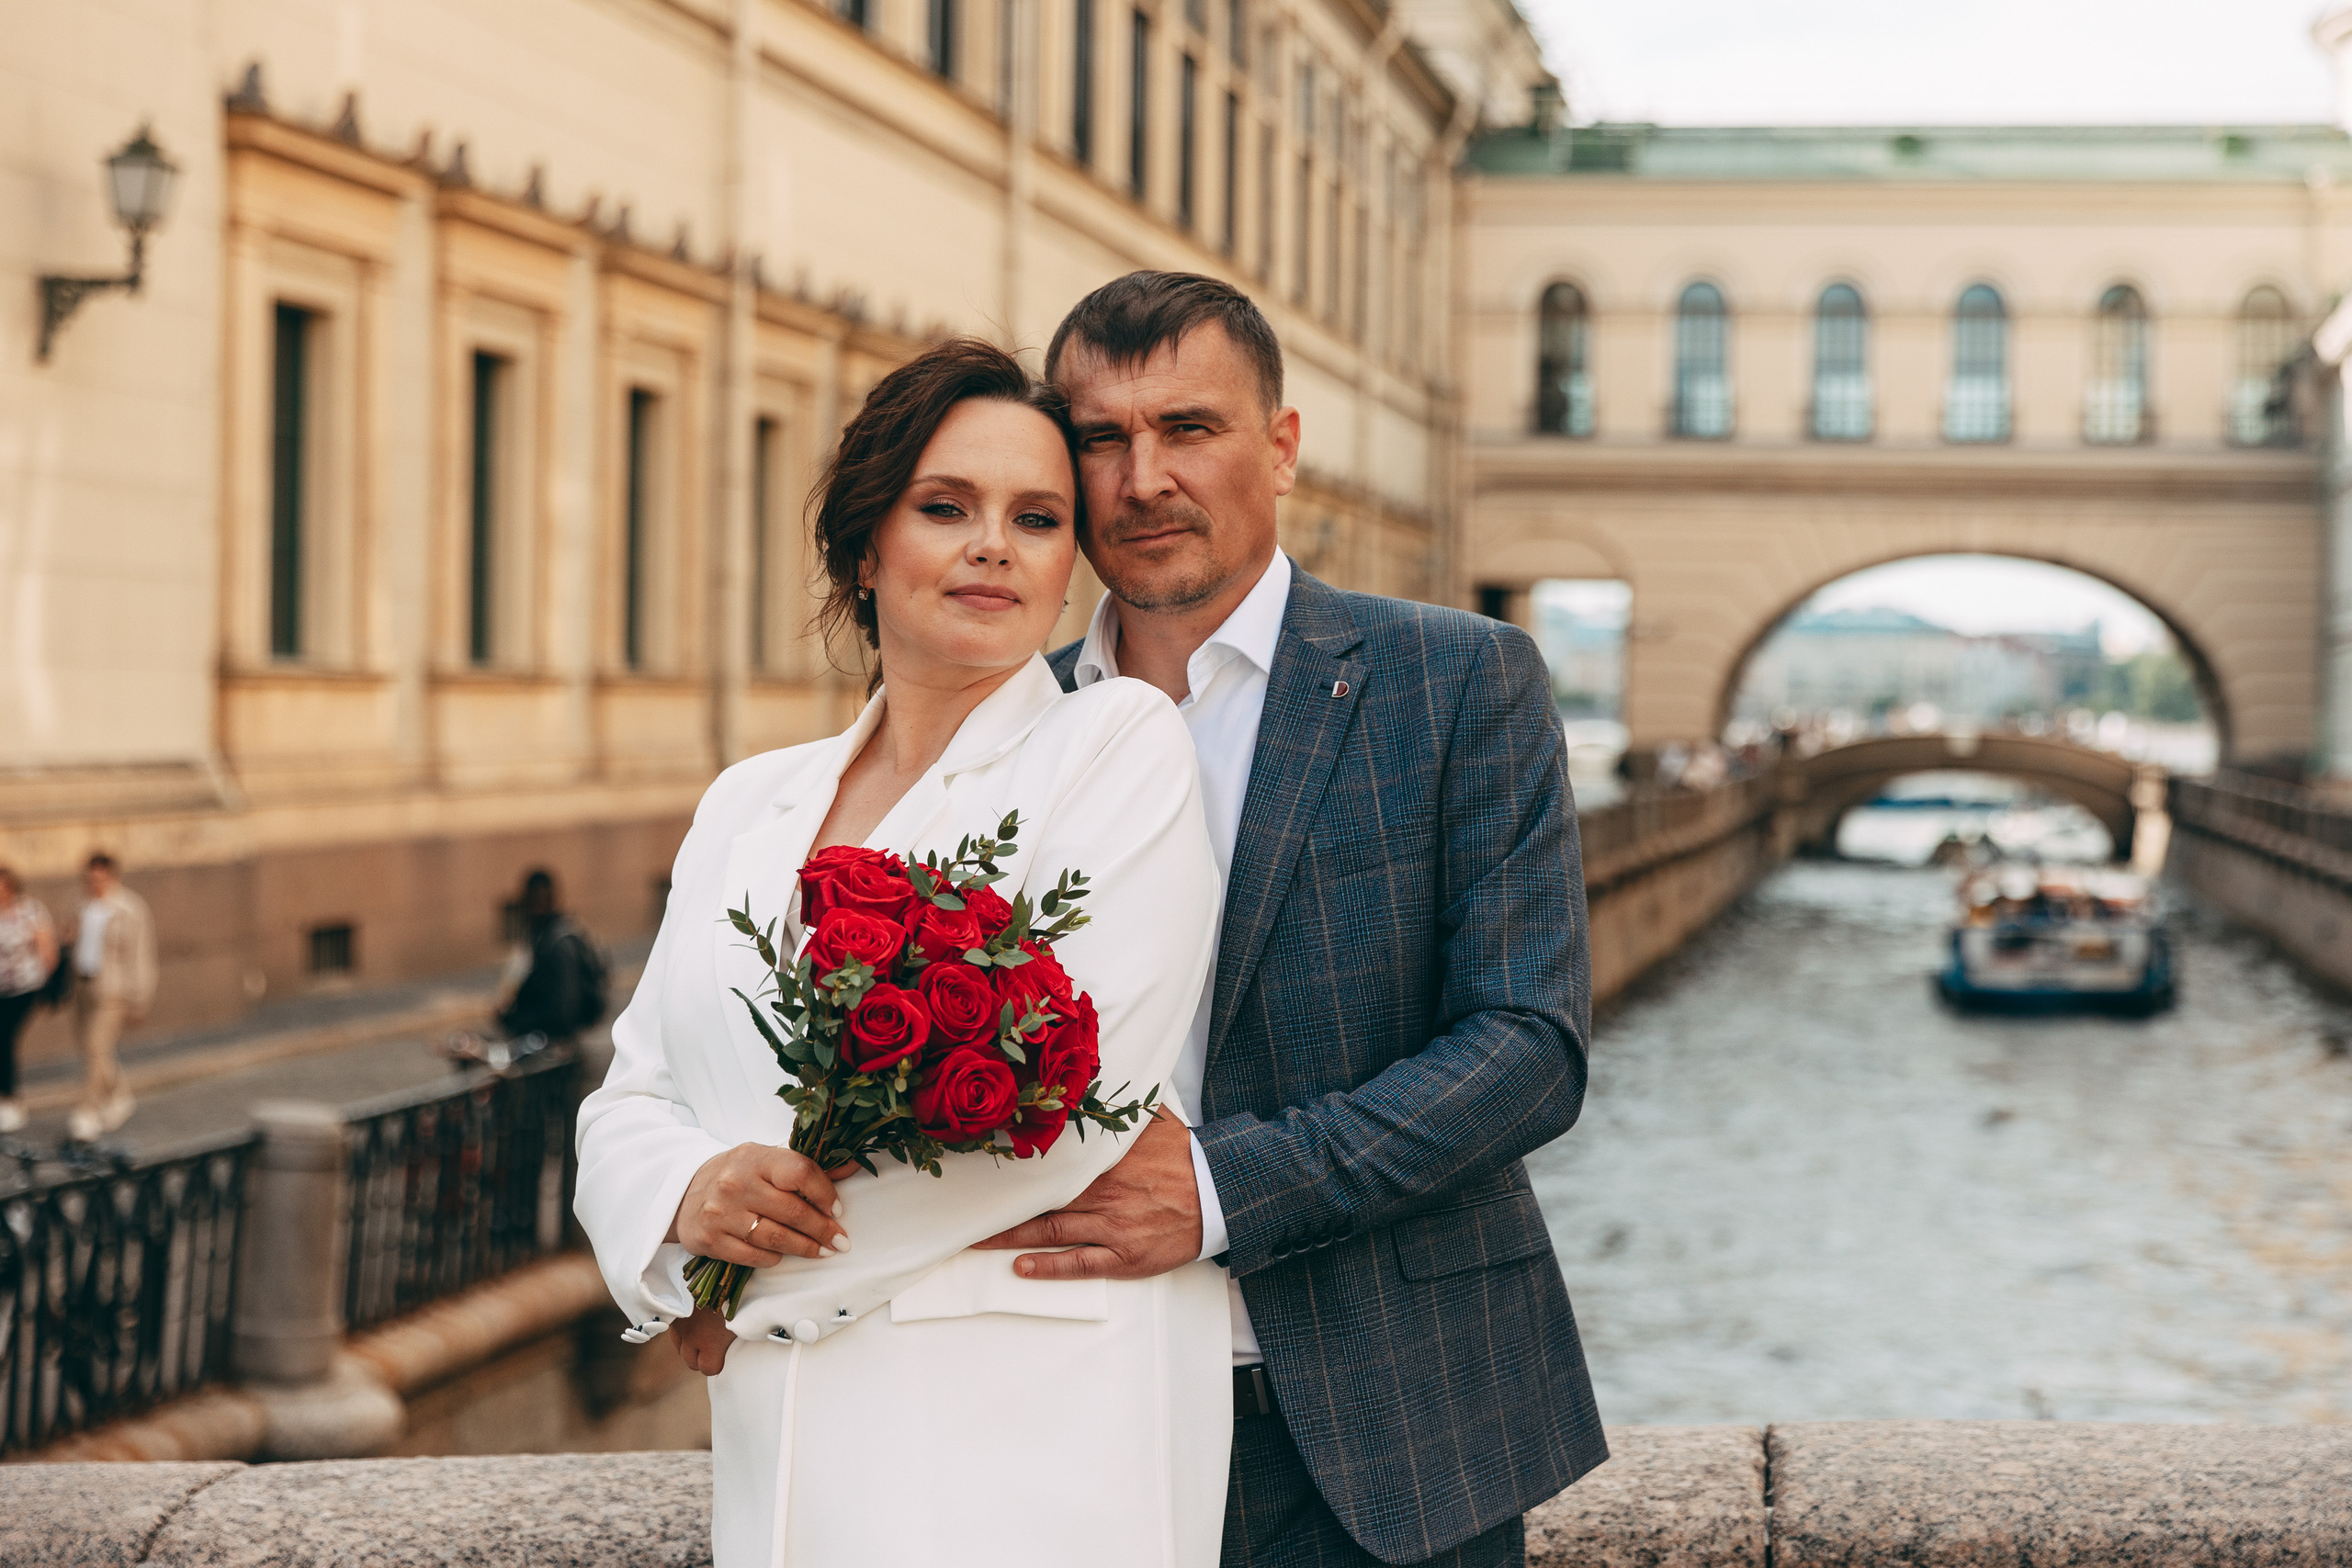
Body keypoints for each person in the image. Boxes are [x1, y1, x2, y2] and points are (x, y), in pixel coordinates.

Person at [973, 272, 1605, 1567]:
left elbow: (1530, 1045)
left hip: (1399, 1425)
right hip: (1070, 1410)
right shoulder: (1002, 723)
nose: (1144, 476)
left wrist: (1215, 1187)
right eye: (1103, 437)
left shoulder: (1459, 679)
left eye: (1188, 428)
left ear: (1282, 445)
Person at [573, 339, 1231, 1567]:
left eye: (1037, 518)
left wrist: (751, 1285)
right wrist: (685, 1205)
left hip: (1031, 1418)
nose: (994, 544)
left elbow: (1078, 1106)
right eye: (947, 507)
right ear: (866, 545)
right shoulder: (747, 800)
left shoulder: (1115, 745)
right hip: (783, 1426)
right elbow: (635, 1091)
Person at [68, 852, 156, 1143]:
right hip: (84, 987)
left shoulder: (130, 908)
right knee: (94, 1049)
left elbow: (141, 954)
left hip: (114, 990)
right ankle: (120, 1095)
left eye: (100, 878)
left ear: (112, 876)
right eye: (90, 878)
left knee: (97, 1047)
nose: (95, 883)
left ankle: (88, 1110)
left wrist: (140, 997)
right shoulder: (83, 906)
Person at [494, 869, 607, 1044]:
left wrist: (517, 1021)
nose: (536, 906)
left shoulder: (560, 943)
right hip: (544, 1033)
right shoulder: (539, 935)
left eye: (540, 900)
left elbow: (564, 1008)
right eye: (533, 900)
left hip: (555, 1041)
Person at [0, 866, 60, 1134]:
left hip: (24, 987)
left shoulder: (30, 910)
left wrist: (48, 986)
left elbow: (48, 950)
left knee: (4, 1038)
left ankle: (10, 1099)